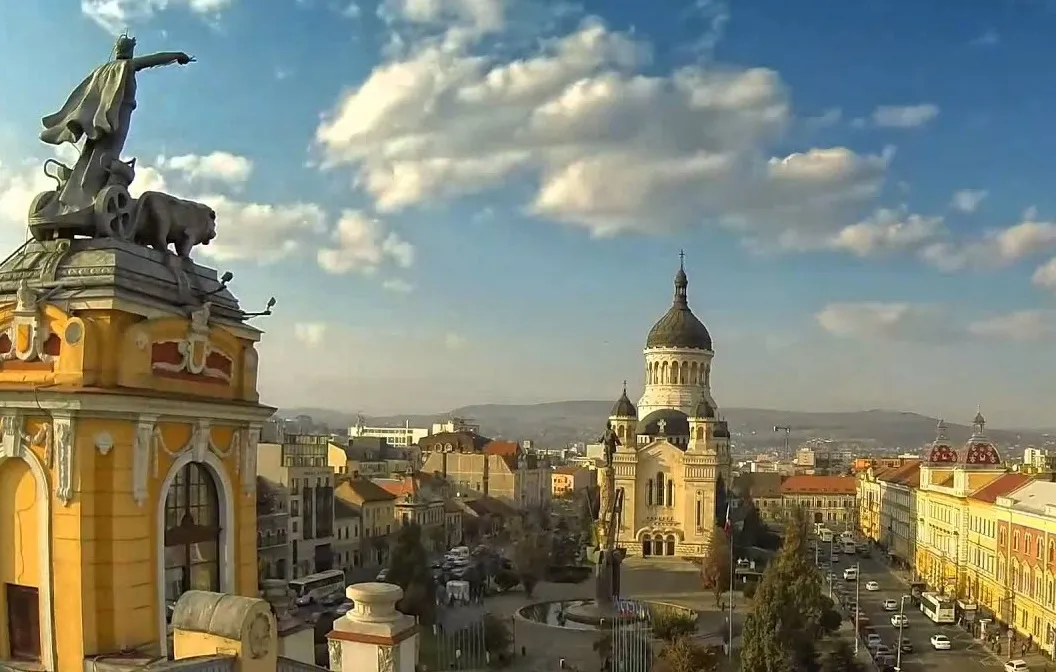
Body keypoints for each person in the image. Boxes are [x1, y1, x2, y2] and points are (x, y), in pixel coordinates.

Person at [39, 34, 193, 213]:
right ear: (130, 50)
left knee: (89, 154)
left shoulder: (101, 71)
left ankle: (71, 196)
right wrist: (178, 55)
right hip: (119, 116)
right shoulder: (127, 65)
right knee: (107, 154)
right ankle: (90, 196)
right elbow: (154, 59)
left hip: (97, 119)